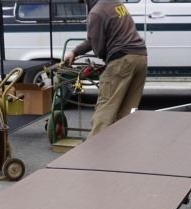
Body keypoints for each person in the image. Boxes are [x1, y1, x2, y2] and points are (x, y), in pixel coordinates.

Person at [63, 0, 147, 136]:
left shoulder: (96, 12)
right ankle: (122, 146)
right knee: (127, 113)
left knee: (105, 110)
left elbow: (99, 48)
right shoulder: (115, 3)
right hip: (140, 57)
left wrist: (106, 61)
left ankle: (95, 148)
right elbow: (93, 40)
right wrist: (75, 51)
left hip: (122, 60)